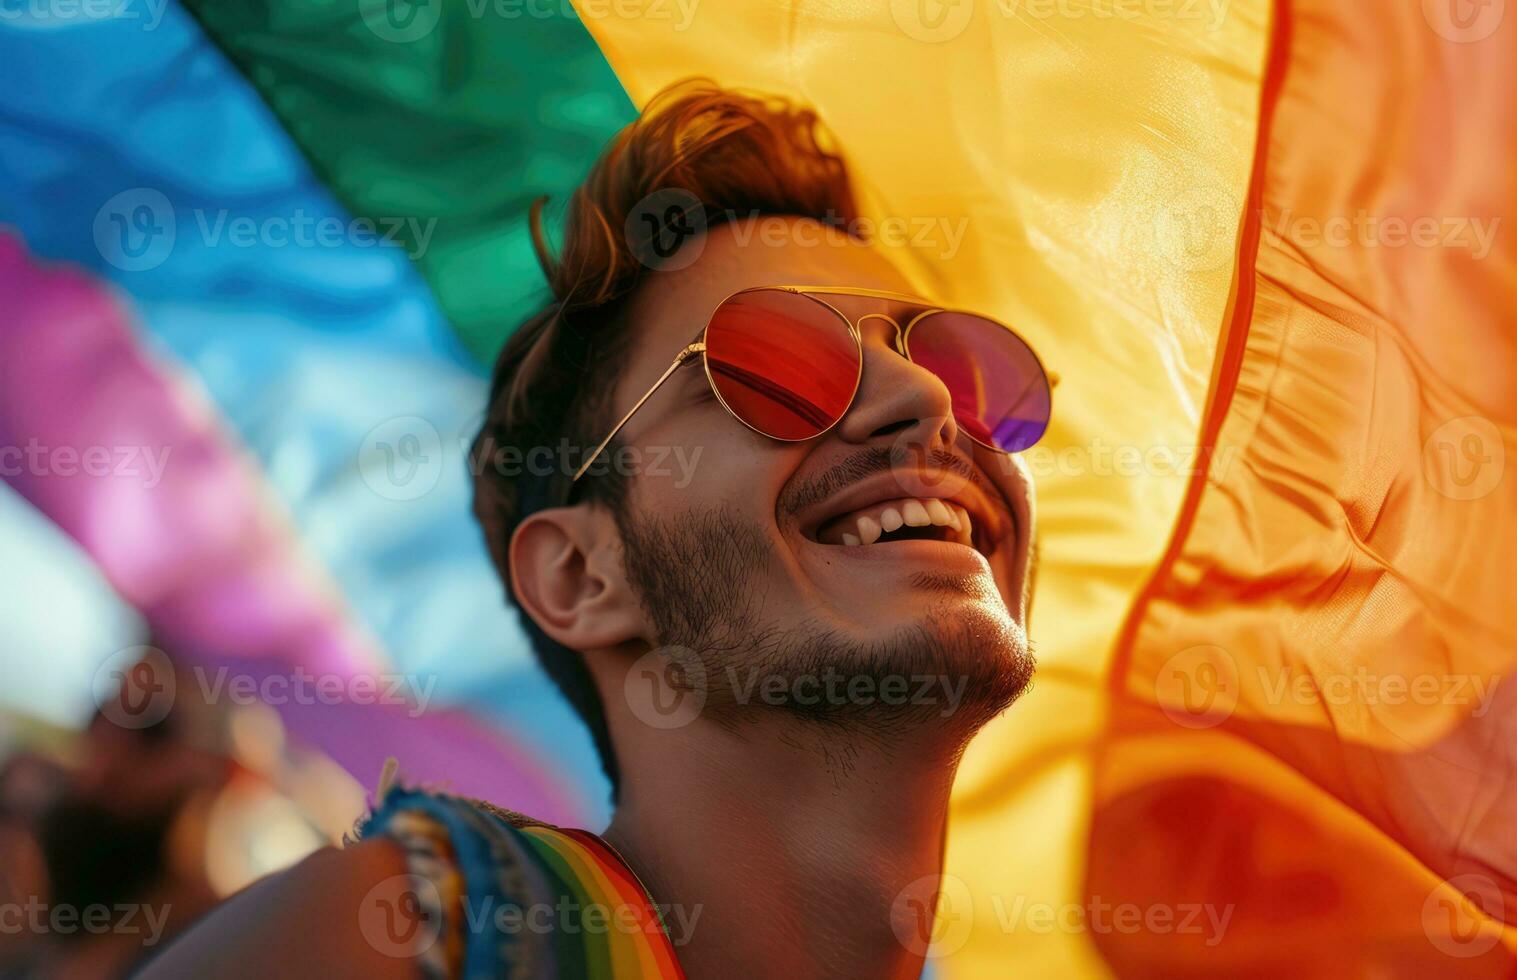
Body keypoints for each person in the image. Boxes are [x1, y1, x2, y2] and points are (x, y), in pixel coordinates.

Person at [143, 78, 1053, 979]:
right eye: (776, 366)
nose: (928, 399)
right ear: (582, 575)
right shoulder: (391, 940)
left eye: (960, 367)